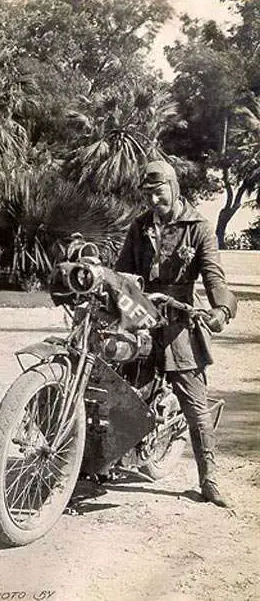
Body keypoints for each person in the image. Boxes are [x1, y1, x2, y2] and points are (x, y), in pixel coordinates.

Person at [116, 159, 237, 507]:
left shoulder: (198, 227)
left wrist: (221, 309)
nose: (154, 200)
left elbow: (214, 276)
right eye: (148, 195)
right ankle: (106, 460)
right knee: (121, 387)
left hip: (180, 322)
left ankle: (209, 478)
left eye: (159, 193)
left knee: (195, 403)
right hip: (141, 317)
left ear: (174, 187)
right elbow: (123, 272)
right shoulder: (139, 227)